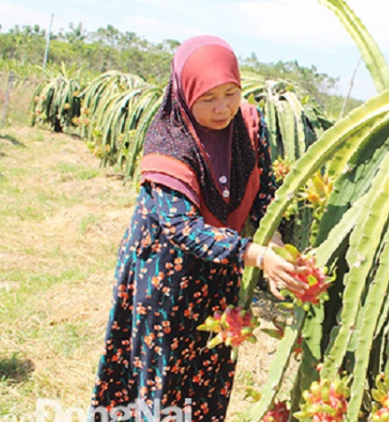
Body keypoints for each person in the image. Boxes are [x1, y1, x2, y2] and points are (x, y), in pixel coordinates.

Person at [90, 35, 307, 422]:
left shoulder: (250, 125)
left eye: (231, 93)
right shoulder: (167, 144)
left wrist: (272, 239)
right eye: (208, 99)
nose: (222, 108)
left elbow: (264, 190)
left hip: (220, 272)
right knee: (162, 373)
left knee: (208, 369)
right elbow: (182, 229)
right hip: (164, 277)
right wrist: (255, 255)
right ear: (185, 94)